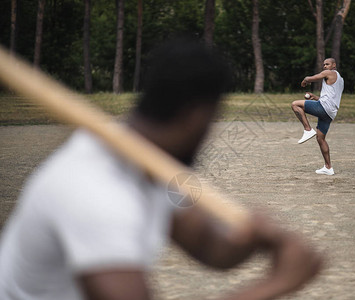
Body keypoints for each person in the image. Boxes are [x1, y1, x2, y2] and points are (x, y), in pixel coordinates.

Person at [0, 38, 323, 300]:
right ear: (196, 116)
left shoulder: (149, 160)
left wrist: (251, 237)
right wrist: (278, 284)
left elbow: (208, 247)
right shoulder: (97, 194)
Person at [291, 58, 344, 176]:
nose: (325, 66)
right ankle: (328, 167)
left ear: (334, 65)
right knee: (320, 138)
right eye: (324, 64)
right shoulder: (340, 79)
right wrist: (315, 97)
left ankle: (308, 129)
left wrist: (305, 80)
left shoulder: (329, 73)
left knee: (295, 104)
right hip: (330, 113)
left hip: (324, 108)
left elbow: (311, 78)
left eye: (327, 64)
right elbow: (329, 99)